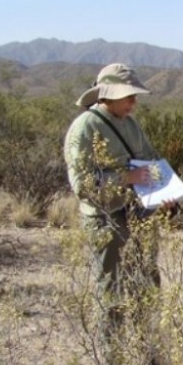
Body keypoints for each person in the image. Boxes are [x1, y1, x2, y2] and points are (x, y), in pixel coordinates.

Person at [63, 63, 167, 297]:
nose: (133, 103)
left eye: (134, 97)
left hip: (139, 214)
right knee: (113, 291)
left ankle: (145, 334)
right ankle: (111, 335)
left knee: (147, 284)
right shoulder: (85, 128)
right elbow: (82, 185)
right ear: (109, 94)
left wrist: (166, 193)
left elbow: (151, 160)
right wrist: (125, 178)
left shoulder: (131, 124)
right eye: (128, 97)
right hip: (106, 220)